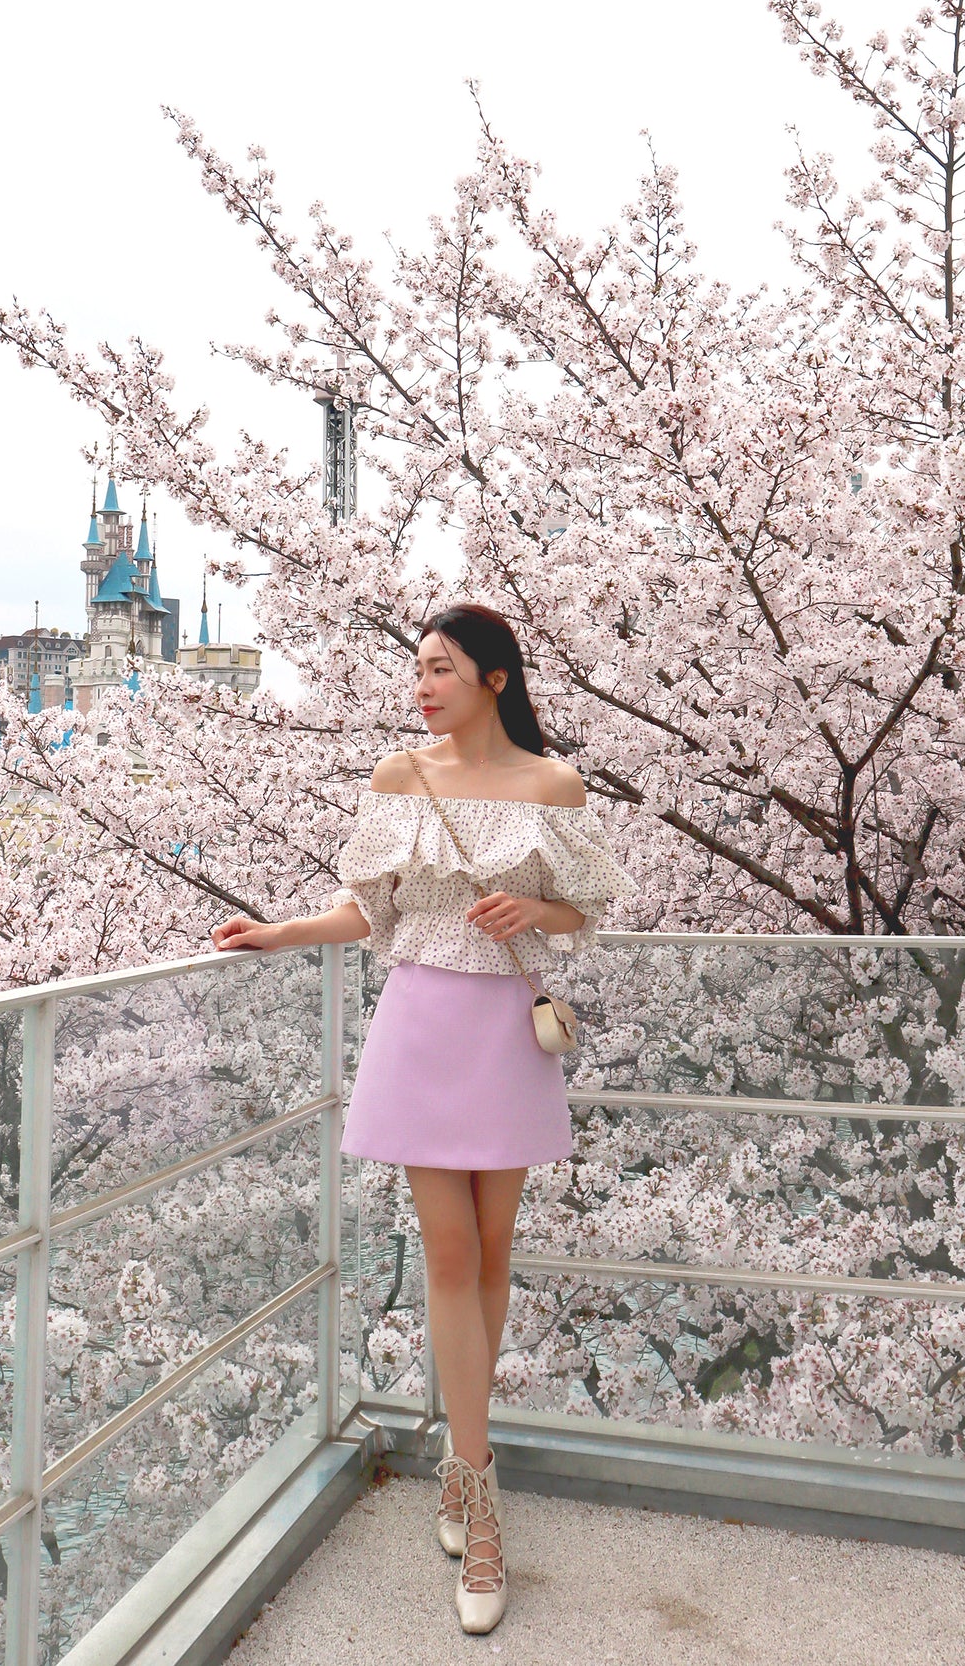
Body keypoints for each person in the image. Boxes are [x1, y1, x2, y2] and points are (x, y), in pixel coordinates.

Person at [210, 602, 636, 1636]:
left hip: (506, 1031)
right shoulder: (403, 777)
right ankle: (480, 1500)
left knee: (494, 1256)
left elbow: (591, 905)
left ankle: (457, 1463)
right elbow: (372, 911)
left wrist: (537, 911)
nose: (422, 685)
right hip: (420, 1022)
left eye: (441, 667)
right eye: (418, 669)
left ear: (496, 677)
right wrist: (277, 933)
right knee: (451, 1257)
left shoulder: (554, 784)